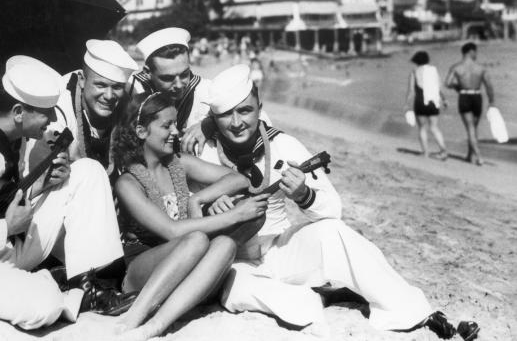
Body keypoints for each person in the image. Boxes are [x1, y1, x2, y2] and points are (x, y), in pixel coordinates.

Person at [197, 64, 478, 339]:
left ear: (260, 106)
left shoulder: (283, 144)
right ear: (213, 116)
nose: (236, 123)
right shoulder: (202, 152)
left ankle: (415, 311)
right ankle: (313, 299)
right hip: (233, 260)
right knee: (237, 291)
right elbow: (181, 214)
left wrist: (303, 194)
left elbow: (334, 209)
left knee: (334, 233)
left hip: (279, 250)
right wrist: (210, 211)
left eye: (245, 110)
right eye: (225, 115)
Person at [0, 56, 135, 331]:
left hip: (13, 242)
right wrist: (6, 228)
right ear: (19, 111)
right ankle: (60, 285)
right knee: (43, 309)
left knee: (87, 172)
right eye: (46, 112)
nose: (52, 120)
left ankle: (90, 284)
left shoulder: (9, 131)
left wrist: (39, 187)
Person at [112, 91, 268, 341]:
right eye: (166, 125)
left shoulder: (179, 163)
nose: (176, 132)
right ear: (141, 132)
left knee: (225, 244)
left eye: (176, 124)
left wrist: (199, 198)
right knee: (197, 239)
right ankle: (134, 317)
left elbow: (239, 179)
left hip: (185, 263)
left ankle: (156, 326)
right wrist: (236, 215)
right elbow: (171, 231)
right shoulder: (127, 183)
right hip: (141, 270)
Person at [128, 27, 270, 155]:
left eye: (184, 74)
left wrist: (210, 123)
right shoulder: (131, 90)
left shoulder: (205, 89)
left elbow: (260, 118)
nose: (179, 84)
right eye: (168, 78)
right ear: (147, 72)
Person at [24, 39, 138, 184]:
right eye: (101, 85)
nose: (109, 96)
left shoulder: (127, 104)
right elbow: (38, 177)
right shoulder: (57, 110)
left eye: (117, 87)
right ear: (82, 80)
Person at [445, 42, 495, 166]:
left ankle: (476, 156)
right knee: (473, 128)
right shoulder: (481, 68)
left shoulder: (456, 67)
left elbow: (448, 83)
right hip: (477, 96)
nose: (476, 54)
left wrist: (458, 87)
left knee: (470, 128)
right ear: (471, 51)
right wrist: (492, 101)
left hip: (464, 96)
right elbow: (489, 86)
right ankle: (472, 156)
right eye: (475, 52)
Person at [405, 50, 448, 160]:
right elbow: (439, 88)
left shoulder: (414, 72)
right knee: (434, 127)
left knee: (422, 128)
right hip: (433, 102)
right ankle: (443, 150)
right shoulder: (433, 70)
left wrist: (407, 104)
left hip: (420, 102)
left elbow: (411, 91)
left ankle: (425, 153)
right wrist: (444, 99)